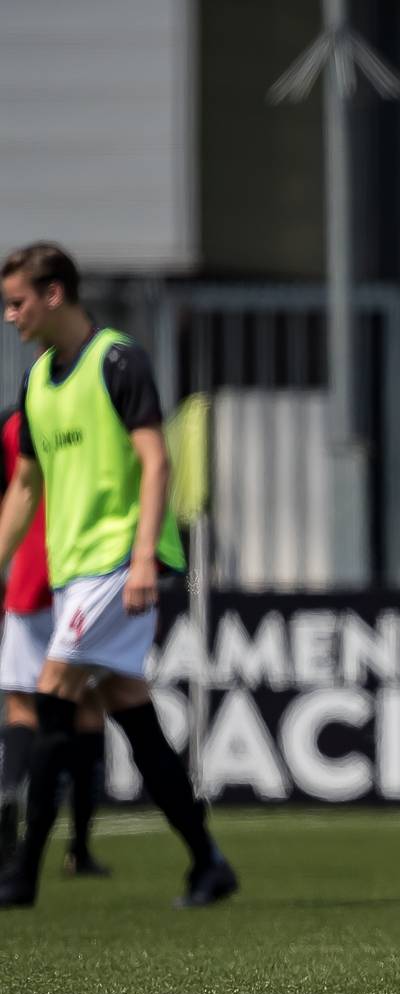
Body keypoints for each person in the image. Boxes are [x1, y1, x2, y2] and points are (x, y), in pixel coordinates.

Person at [0, 242, 239, 908]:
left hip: (117, 564)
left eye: (17, 302)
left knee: (53, 693)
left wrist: (140, 558)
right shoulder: (38, 383)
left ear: (54, 294)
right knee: (131, 712)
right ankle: (207, 861)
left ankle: (20, 875)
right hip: (76, 571)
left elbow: (156, 461)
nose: (11, 316)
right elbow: (25, 486)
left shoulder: (118, 361)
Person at [0, 406, 108, 876]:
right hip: (79, 575)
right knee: (87, 707)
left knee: (22, 707)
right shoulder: (95, 413)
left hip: (25, 574)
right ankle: (78, 848)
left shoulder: (13, 424)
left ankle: (8, 798)